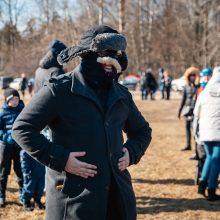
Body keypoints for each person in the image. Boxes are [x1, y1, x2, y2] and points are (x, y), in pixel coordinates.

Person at [12, 25, 152, 220]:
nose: (112, 60)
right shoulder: (59, 90)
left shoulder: (121, 95)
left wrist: (132, 152)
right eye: (105, 53)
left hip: (118, 200)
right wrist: (61, 159)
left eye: (116, 53)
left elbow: (142, 131)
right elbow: (21, 129)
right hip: (73, 202)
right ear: (88, 54)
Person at [193, 66, 220, 201]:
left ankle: (202, 184)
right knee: (216, 161)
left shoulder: (204, 92)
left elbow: (196, 113)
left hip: (205, 131)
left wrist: (196, 131)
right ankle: (211, 190)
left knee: (209, 158)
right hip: (218, 131)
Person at [0, 89, 24, 208]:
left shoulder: (23, 111)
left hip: (19, 146)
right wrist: (3, 136)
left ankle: (23, 194)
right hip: (6, 146)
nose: (15, 101)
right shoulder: (2, 113)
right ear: (7, 100)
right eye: (12, 99)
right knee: (3, 172)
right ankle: (1, 195)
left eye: (17, 99)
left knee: (20, 171)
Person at [178, 67, 200, 151]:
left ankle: (197, 150)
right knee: (187, 129)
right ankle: (188, 145)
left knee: (195, 130)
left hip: (195, 112)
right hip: (187, 111)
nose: (192, 77)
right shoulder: (186, 87)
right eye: (190, 75)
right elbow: (183, 100)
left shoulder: (199, 86)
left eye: (194, 75)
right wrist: (179, 111)